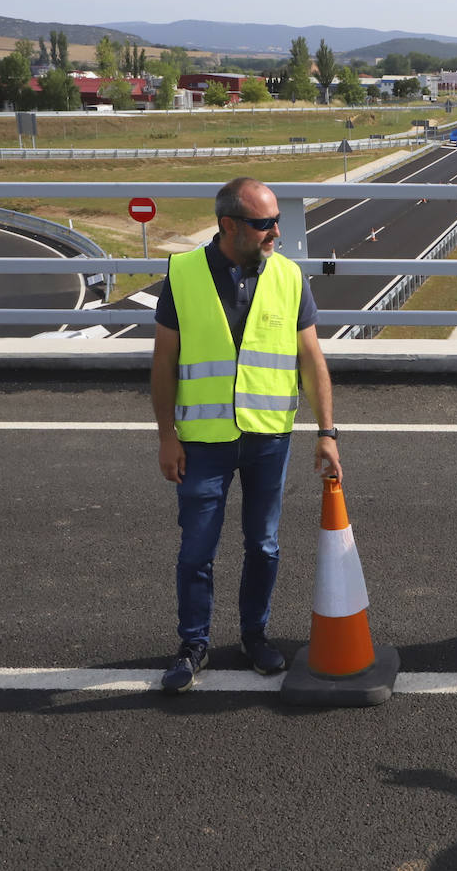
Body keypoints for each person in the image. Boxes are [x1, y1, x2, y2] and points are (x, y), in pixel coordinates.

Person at [150, 176, 342, 695]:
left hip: (267, 438)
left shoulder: (287, 276)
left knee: (264, 544)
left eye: (276, 220)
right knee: (196, 550)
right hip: (202, 441)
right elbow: (164, 362)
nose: (276, 231)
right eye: (264, 224)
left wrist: (327, 432)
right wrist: (166, 436)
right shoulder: (184, 274)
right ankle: (193, 645)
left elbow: (311, 358)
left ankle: (255, 637)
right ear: (228, 225)